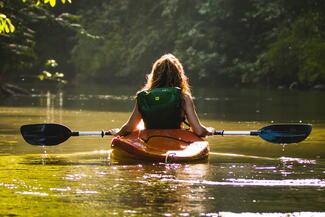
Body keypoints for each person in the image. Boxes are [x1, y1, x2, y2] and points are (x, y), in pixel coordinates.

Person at [111, 53, 215, 137]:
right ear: (179, 76)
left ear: (155, 74)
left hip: (150, 142)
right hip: (175, 141)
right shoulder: (183, 97)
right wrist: (209, 131)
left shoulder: (144, 96)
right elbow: (199, 131)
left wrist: (117, 132)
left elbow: (129, 128)